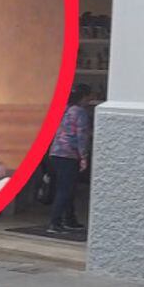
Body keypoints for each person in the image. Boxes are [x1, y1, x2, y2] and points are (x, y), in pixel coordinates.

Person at [46, 83, 92, 232]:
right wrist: (84, 156)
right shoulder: (80, 112)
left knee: (64, 187)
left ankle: (69, 218)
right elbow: (81, 135)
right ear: (84, 97)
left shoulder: (63, 109)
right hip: (69, 154)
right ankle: (55, 222)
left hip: (56, 152)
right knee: (66, 189)